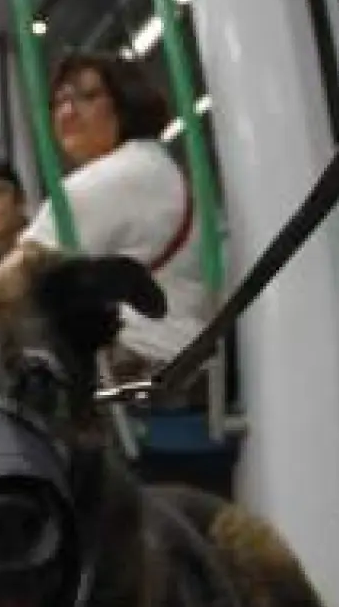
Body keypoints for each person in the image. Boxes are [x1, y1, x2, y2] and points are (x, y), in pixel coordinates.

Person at [19, 51, 207, 375]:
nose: (66, 112)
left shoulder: (120, 175)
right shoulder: (152, 166)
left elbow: (18, 279)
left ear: (125, 102)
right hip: (180, 363)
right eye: (58, 103)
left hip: (139, 373)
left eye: (88, 96)